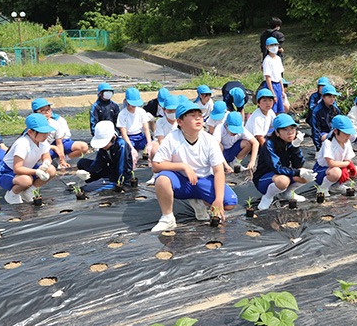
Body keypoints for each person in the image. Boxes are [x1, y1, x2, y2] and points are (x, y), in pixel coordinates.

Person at [150, 100, 238, 232]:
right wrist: (183, 166)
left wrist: (218, 200)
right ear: (180, 122)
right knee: (162, 179)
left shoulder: (209, 140)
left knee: (229, 203)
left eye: (200, 115)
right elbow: (156, 165)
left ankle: (200, 203)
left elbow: (218, 171)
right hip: (181, 181)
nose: (198, 118)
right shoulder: (172, 138)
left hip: (203, 179)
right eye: (192, 115)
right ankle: (168, 218)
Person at [253, 113, 315, 210]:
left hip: (283, 174)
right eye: (285, 129)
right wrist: (298, 172)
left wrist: (296, 147)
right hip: (265, 178)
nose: (290, 132)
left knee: (307, 176)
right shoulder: (269, 144)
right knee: (283, 181)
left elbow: (297, 165)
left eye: (292, 128)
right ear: (277, 132)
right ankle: (267, 197)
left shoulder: (290, 143)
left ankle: (287, 193)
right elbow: (276, 167)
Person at [0, 113, 57, 204]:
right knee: (26, 180)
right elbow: (17, 169)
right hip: (7, 172)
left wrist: (46, 163)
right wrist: (36, 172)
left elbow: (46, 156)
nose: (46, 135)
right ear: (30, 132)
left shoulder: (43, 141)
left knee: (51, 170)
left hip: (27, 169)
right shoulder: (22, 144)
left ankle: (29, 191)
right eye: (42, 133)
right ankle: (12, 195)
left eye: (47, 132)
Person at [32, 98, 89, 169]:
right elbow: (37, 145)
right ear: (35, 113)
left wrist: (62, 159)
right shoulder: (33, 126)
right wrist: (54, 148)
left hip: (55, 145)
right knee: (44, 162)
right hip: (43, 149)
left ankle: (60, 160)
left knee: (83, 146)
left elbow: (59, 143)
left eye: (48, 110)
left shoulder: (55, 123)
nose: (46, 113)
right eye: (42, 111)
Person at [76, 120, 134, 188]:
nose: (102, 146)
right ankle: (95, 182)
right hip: (109, 170)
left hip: (116, 176)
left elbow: (122, 168)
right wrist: (88, 172)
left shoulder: (121, 145)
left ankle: (100, 183)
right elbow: (99, 162)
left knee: (86, 188)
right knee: (82, 163)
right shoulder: (103, 148)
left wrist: (120, 184)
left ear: (113, 138)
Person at [314, 115, 357, 197]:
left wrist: (346, 166)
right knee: (336, 172)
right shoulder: (328, 143)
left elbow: (348, 159)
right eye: (345, 133)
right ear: (335, 131)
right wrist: (347, 164)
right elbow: (331, 163)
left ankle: (338, 185)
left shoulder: (347, 143)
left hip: (338, 168)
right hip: (323, 171)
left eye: (349, 134)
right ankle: (322, 188)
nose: (348, 136)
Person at [117, 87, 155, 161]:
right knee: (130, 154)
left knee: (154, 147)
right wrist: (132, 148)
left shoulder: (141, 111)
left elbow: (146, 128)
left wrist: (149, 143)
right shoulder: (122, 114)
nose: (134, 107)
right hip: (129, 138)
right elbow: (123, 133)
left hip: (140, 136)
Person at [309, 84, 341, 152]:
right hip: (323, 134)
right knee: (329, 136)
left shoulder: (336, 110)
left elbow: (339, 125)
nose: (332, 99)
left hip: (334, 132)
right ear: (323, 97)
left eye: (334, 96)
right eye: (329, 96)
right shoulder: (317, 111)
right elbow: (315, 130)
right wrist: (318, 147)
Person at [262, 37, 286, 114]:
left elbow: (279, 76)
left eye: (276, 45)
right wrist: (272, 92)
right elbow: (268, 77)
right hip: (271, 85)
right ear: (267, 47)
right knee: (272, 108)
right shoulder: (267, 60)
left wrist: (282, 89)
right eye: (272, 45)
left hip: (278, 85)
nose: (274, 47)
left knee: (280, 108)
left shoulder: (278, 59)